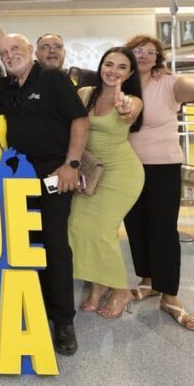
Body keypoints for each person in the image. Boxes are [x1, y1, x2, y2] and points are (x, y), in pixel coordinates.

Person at [0, 16, 90, 356]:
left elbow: (80, 119)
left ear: (31, 50)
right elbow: (1, 52)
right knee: (26, 243)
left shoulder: (53, 78)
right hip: (17, 177)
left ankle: (63, 321)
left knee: (55, 243)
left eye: (18, 48)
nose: (10, 54)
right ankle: (36, 307)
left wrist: (71, 165)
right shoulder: (6, 85)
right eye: (5, 52)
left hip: (53, 173)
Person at [123, 29, 194, 331]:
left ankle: (170, 294)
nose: (144, 55)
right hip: (127, 168)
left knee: (163, 229)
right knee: (136, 225)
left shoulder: (169, 83)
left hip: (163, 166)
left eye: (150, 51)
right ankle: (148, 280)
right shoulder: (120, 84)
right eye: (138, 50)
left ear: (157, 58)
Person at [68, 47, 144, 319]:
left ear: (130, 73)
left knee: (102, 230)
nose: (113, 71)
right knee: (78, 227)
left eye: (121, 67)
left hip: (121, 173)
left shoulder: (133, 100)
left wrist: (124, 108)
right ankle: (97, 289)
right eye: (109, 64)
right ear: (100, 67)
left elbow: (129, 113)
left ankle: (121, 289)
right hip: (89, 170)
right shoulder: (85, 94)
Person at [0, 0, 96, 87]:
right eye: (45, 47)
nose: (52, 51)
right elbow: (7, 49)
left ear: (64, 53)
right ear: (35, 54)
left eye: (57, 47)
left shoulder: (84, 77)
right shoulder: (26, 76)